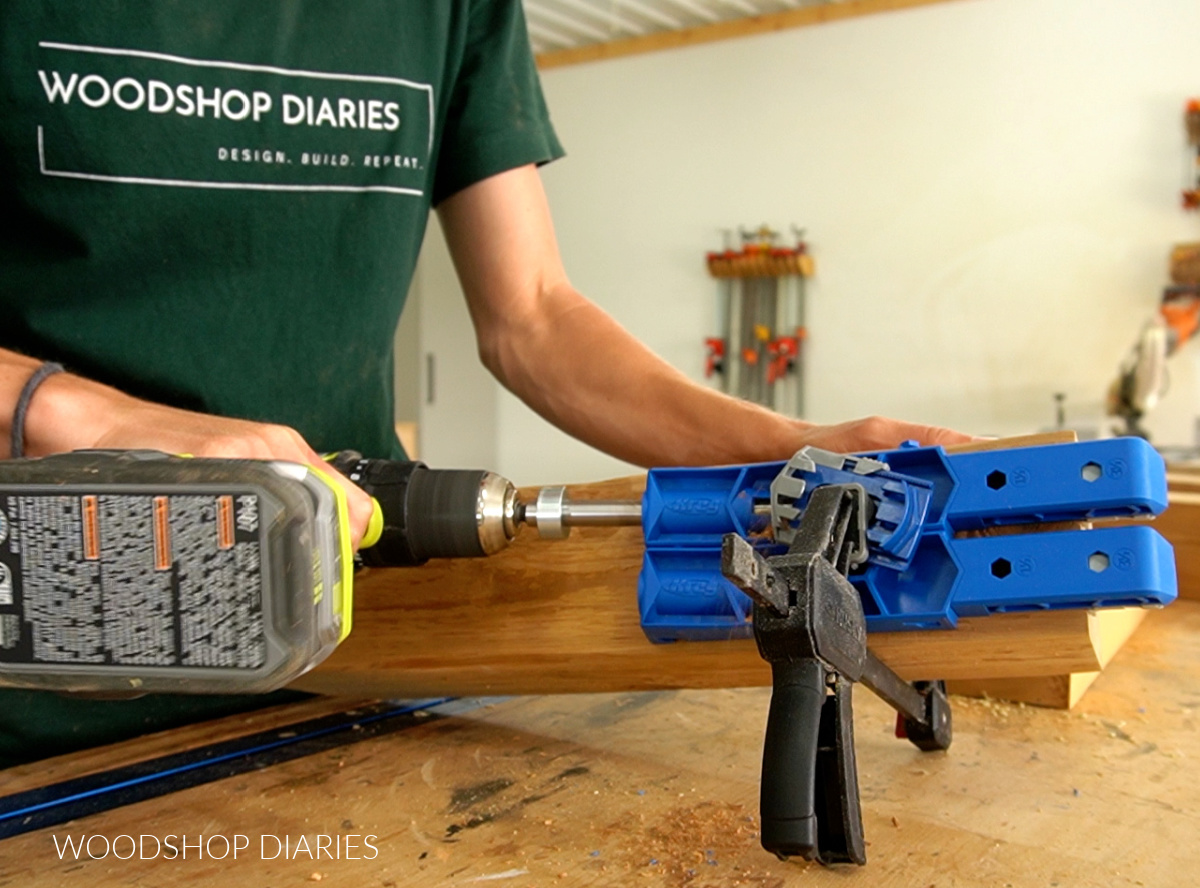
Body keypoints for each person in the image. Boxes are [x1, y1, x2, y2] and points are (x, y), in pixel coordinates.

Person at [0, 0, 970, 767]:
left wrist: (787, 452)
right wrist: (76, 411)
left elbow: (536, 317)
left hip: (339, 651)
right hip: (35, 696)